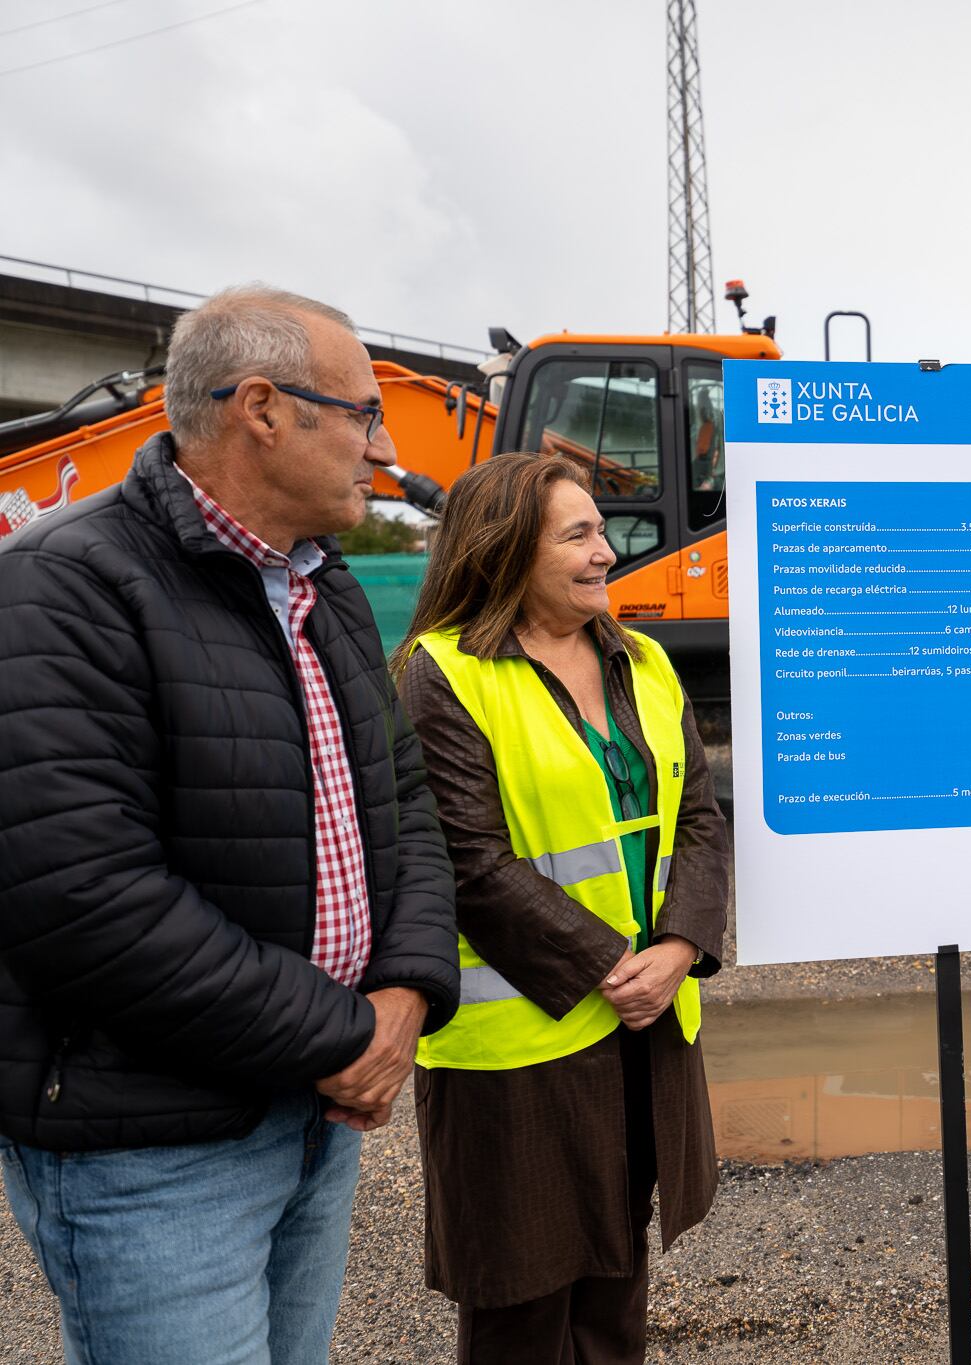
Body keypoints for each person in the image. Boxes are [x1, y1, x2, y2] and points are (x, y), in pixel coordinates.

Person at [0, 285, 459, 1363]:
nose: (383, 447)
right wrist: (345, 1036)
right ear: (263, 407)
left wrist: (404, 993)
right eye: (362, 413)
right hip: (152, 1148)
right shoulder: (64, 587)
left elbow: (405, 808)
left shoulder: (324, 588)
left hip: (315, 1117)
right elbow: (81, 895)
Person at [391, 452, 730, 1364]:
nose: (606, 552)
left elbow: (699, 818)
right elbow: (469, 860)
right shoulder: (444, 673)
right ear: (506, 550)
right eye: (578, 534)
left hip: (642, 1027)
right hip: (519, 1051)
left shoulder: (643, 659)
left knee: (615, 1298)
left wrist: (682, 946)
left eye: (602, 531)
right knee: (523, 1307)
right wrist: (613, 966)